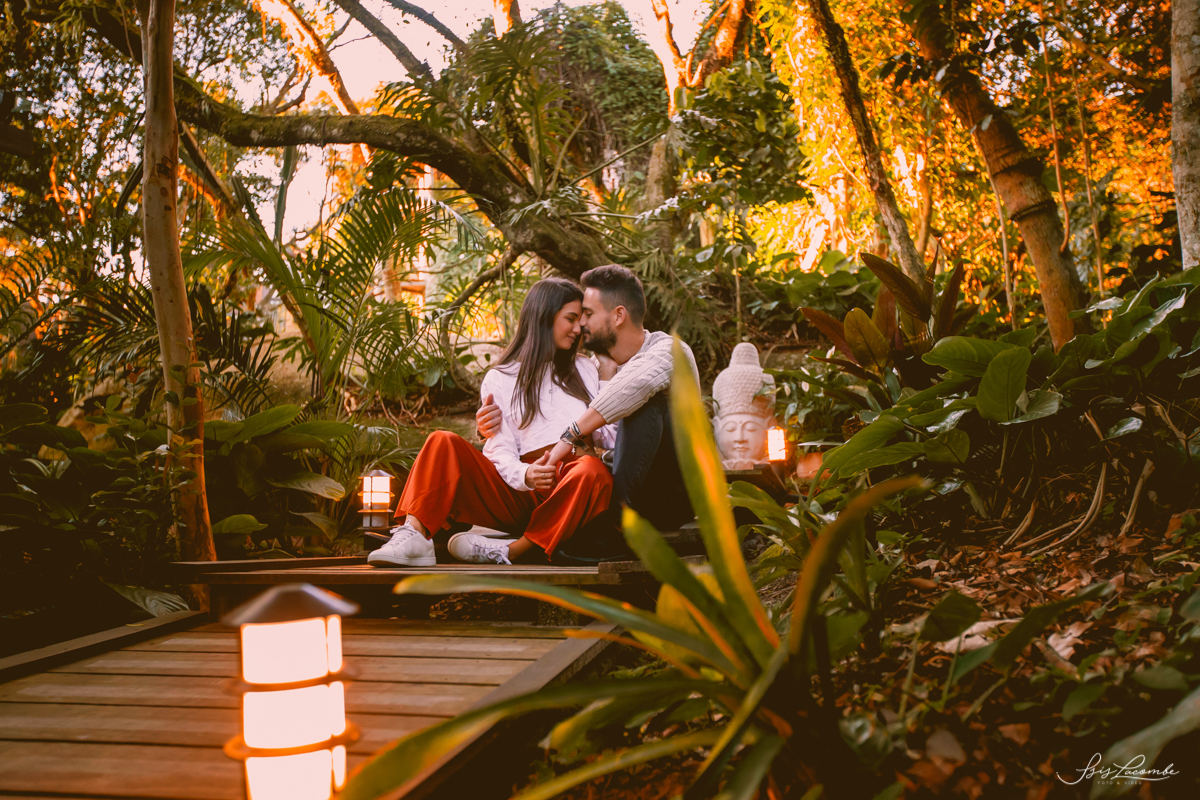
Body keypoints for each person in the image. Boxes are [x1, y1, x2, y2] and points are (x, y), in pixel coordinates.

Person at [368, 278, 614, 568]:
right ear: (544, 316)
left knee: (591, 470)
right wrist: (526, 474)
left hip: (574, 483)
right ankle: (414, 534)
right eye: (570, 319)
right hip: (521, 490)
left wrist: (608, 374)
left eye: (580, 321)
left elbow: (609, 437)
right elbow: (500, 451)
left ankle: (515, 550)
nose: (578, 329)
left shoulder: (584, 368)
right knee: (441, 440)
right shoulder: (501, 378)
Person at [477, 264, 698, 562]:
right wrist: (488, 424)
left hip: (669, 493)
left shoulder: (667, 350)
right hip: (622, 489)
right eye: (576, 316)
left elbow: (635, 386)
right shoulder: (589, 369)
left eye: (588, 314)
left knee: (644, 401)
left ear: (618, 315)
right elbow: (597, 430)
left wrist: (569, 437)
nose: (581, 325)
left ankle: (612, 520)